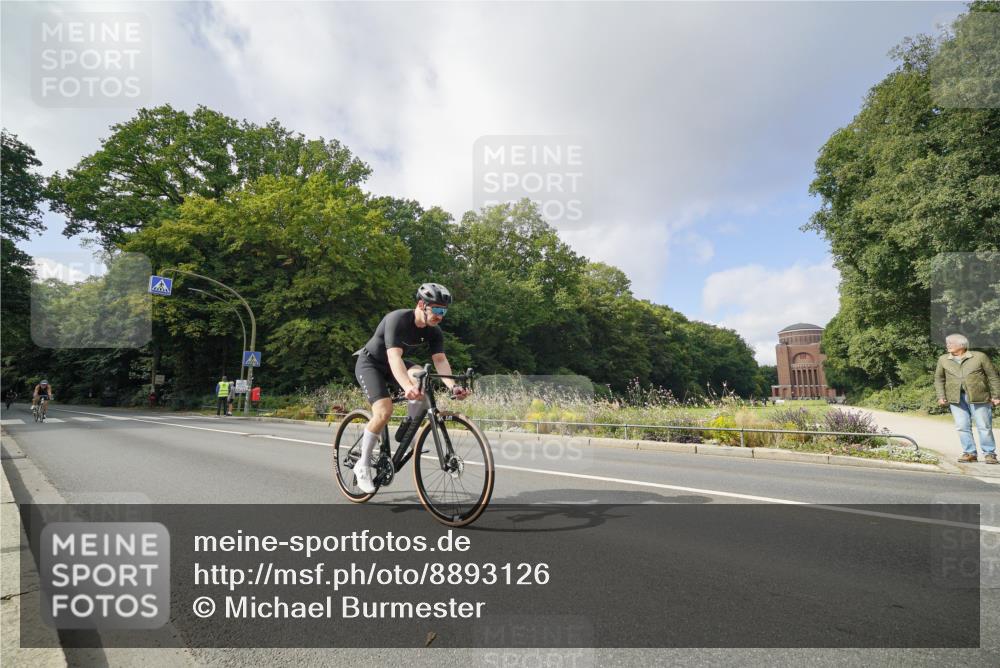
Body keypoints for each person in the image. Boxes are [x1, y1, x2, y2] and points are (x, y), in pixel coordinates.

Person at [352, 282, 470, 493]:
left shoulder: (434, 331)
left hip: (393, 364)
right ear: (421, 304)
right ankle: (362, 464)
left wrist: (453, 386)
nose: (440, 316)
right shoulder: (397, 320)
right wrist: (406, 386)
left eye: (444, 311)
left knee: (422, 380)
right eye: (436, 309)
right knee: (384, 411)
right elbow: (393, 357)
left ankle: (407, 427)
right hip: (371, 363)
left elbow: (440, 360)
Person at [935, 334, 1000, 464]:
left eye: (951, 343)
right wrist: (941, 396)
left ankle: (989, 454)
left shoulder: (979, 357)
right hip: (955, 398)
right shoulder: (943, 359)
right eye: (947, 343)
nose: (948, 345)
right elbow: (939, 379)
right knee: (962, 426)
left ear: (962, 345)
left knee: (984, 426)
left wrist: (996, 396)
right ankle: (970, 453)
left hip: (979, 397)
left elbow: (993, 376)